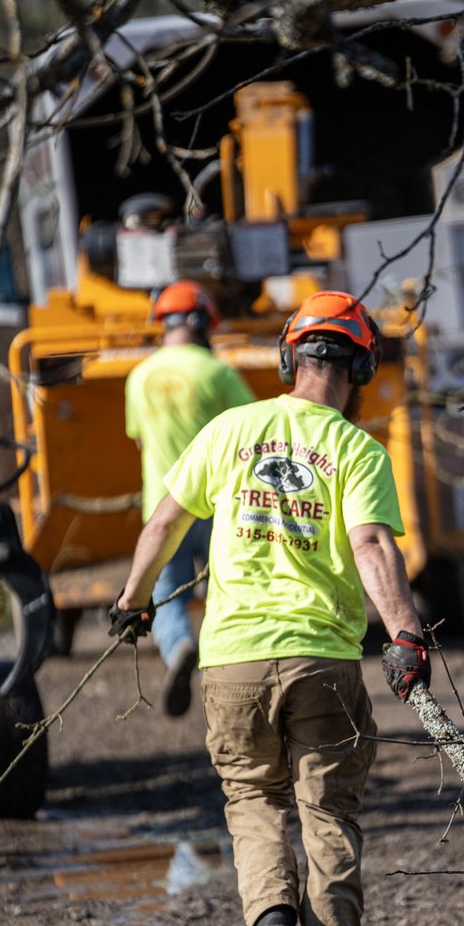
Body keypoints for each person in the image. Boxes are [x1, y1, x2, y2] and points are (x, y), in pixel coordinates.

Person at [110, 290, 431, 926]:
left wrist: (133, 600)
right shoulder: (357, 450)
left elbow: (163, 518)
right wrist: (407, 634)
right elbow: (373, 545)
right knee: (328, 811)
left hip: (230, 662)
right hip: (323, 660)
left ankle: (271, 919)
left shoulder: (232, 430)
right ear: (361, 369)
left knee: (253, 799)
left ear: (291, 357)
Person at [124, 279, 254, 716]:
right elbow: (252, 435)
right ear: (201, 323)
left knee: (164, 598)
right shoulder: (217, 373)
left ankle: (179, 648)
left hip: (163, 508)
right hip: (219, 505)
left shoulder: (138, 378)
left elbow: (140, 443)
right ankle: (235, 669)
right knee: (230, 590)